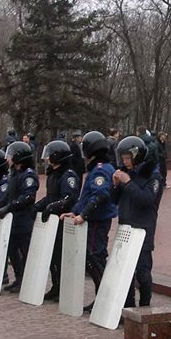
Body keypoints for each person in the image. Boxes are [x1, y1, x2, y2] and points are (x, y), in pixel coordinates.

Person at [63, 130, 117, 311]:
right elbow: (85, 196)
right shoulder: (98, 168)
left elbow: (99, 195)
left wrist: (83, 215)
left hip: (98, 220)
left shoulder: (101, 170)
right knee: (94, 257)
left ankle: (105, 297)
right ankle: (101, 296)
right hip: (94, 219)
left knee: (95, 256)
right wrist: (75, 212)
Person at [112, 135, 162, 308]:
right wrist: (116, 185)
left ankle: (145, 306)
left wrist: (128, 183)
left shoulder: (153, 177)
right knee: (125, 271)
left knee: (142, 271)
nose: (125, 161)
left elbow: (146, 200)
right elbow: (114, 200)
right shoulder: (128, 174)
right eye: (123, 158)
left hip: (143, 228)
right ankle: (127, 307)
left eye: (128, 158)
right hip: (126, 225)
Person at [33, 141, 80, 302]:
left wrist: (51, 208)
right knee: (53, 255)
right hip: (53, 222)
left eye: (49, 155)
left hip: (63, 220)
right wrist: (38, 207)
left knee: (61, 255)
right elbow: (50, 196)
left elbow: (69, 198)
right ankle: (56, 285)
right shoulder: (53, 174)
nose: (46, 159)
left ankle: (63, 287)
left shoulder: (68, 175)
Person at [0, 141, 40, 292]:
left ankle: (29, 280)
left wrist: (10, 207)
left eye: (10, 156)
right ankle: (19, 277)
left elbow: (27, 197)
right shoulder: (14, 174)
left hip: (24, 220)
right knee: (11, 250)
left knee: (26, 251)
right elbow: (8, 195)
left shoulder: (28, 175)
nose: (8, 159)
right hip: (14, 220)